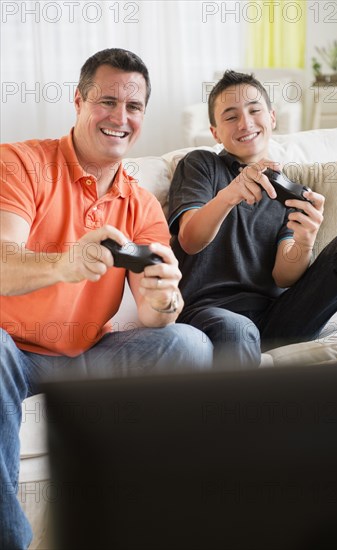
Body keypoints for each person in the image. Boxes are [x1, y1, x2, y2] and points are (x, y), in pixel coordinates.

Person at [0, 48, 212, 549]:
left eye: (133, 107)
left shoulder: (140, 203)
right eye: (107, 101)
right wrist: (64, 264)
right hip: (12, 351)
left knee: (190, 344)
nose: (120, 118)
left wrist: (166, 299)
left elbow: (154, 314)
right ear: (78, 101)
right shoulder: (23, 164)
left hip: (84, 355)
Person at [168, 70, 337, 367]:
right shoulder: (201, 165)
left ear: (272, 117)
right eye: (230, 116)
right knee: (238, 328)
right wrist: (232, 192)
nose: (245, 123)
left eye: (255, 111)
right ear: (215, 132)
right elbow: (190, 239)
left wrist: (304, 242)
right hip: (212, 313)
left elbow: (284, 276)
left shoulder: (289, 192)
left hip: (278, 317)